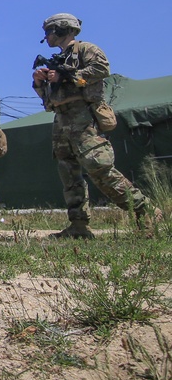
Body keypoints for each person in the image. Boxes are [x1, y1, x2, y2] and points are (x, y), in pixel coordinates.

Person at [33, 13, 161, 238]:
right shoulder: (59, 58)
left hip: (84, 117)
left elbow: (101, 69)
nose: (47, 37)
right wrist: (40, 82)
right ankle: (79, 225)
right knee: (69, 175)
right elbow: (49, 100)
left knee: (99, 168)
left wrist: (66, 75)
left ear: (63, 29)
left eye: (49, 31)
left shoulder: (85, 50)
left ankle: (146, 211)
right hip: (62, 120)